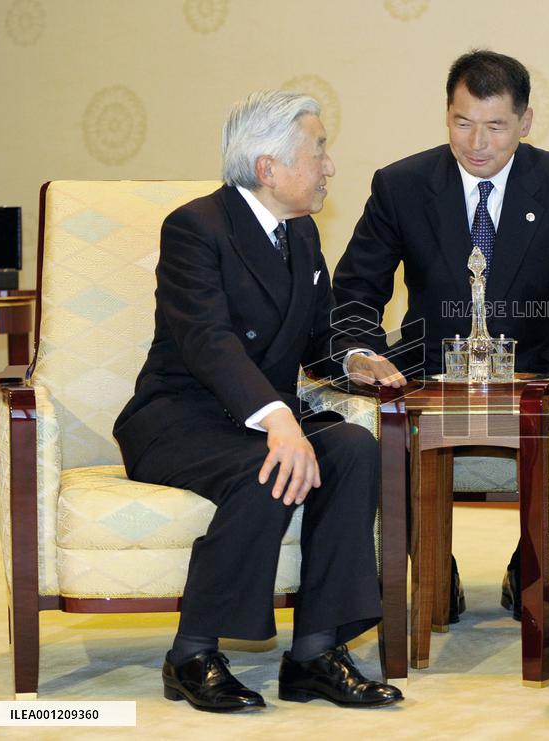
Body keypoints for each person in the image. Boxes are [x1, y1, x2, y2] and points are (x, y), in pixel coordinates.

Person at [113, 90, 403, 713]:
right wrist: (279, 422)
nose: (329, 165)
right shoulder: (196, 227)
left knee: (353, 447)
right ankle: (191, 653)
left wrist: (353, 360)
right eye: (319, 149)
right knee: (267, 465)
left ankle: (315, 656)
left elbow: (320, 334)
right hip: (178, 418)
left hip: (256, 418)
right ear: (269, 167)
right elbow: (208, 341)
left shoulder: (300, 235)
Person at [332, 49, 549, 621]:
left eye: (495, 126)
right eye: (462, 123)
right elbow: (354, 290)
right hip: (428, 356)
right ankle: (431, 566)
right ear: (446, 115)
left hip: (537, 353)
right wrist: (362, 351)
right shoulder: (401, 185)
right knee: (372, 405)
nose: (477, 143)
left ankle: (533, 564)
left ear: (525, 122)